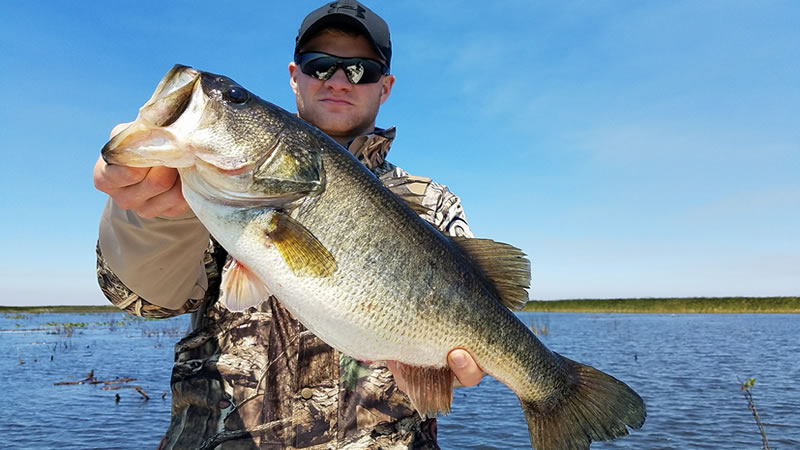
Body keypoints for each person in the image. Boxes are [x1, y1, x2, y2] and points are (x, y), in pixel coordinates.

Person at [93, 1, 484, 448]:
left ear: (386, 87)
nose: (338, 80)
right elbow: (145, 300)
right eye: (321, 66)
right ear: (294, 76)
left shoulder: (432, 203)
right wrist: (149, 210)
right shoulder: (204, 188)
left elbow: (475, 325)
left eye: (361, 70)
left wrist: (443, 369)